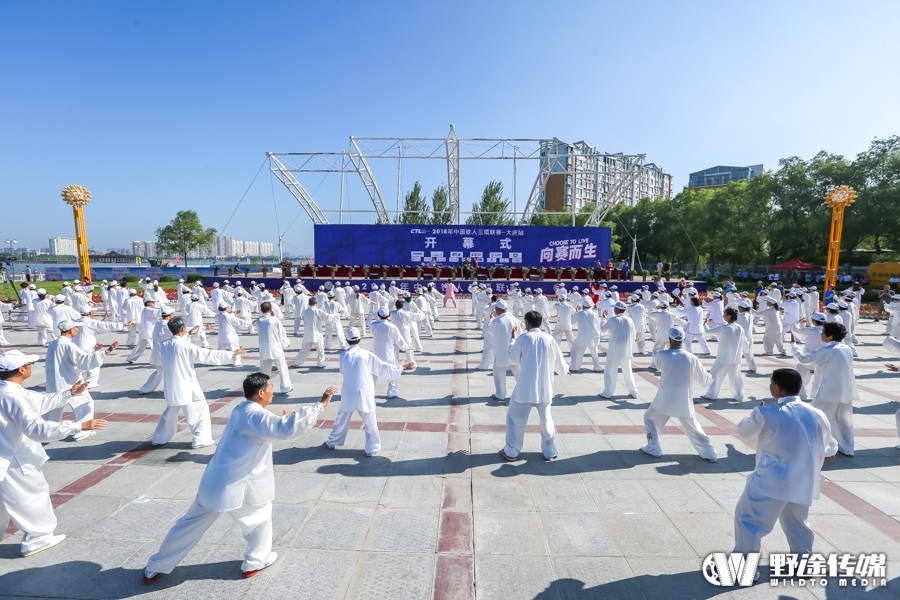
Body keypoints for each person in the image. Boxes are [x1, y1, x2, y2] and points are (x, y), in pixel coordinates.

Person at [143, 376, 337, 584]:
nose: (273, 391)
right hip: (238, 484)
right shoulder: (256, 415)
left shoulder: (241, 409)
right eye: (270, 387)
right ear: (261, 392)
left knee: (189, 525)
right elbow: (285, 429)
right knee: (260, 517)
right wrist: (320, 405)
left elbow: (272, 425)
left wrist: (286, 418)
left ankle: (155, 566)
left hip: (214, 481)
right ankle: (254, 562)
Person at [0, 350, 108, 557]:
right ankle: (37, 538)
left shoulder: (9, 390)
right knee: (31, 496)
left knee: (5, 502)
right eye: (29, 364)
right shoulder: (12, 395)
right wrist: (78, 426)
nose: (31, 366)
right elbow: (36, 428)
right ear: (22, 370)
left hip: (7, 453)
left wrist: (69, 393)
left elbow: (39, 401)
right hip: (14, 457)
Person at [733, 368, 837, 558]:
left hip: (771, 481)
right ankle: (803, 563)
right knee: (797, 523)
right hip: (803, 481)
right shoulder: (818, 414)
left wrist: (758, 412)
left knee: (748, 520)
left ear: (778, 389)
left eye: (772, 383)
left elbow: (744, 431)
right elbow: (831, 448)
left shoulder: (766, 413)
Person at [152, 316, 246, 449]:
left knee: (170, 413)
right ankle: (201, 439)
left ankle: (159, 438)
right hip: (186, 385)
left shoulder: (164, 344)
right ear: (183, 329)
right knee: (199, 410)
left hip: (171, 385)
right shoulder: (185, 346)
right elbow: (207, 355)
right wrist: (232, 353)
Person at [325, 327, 413, 456]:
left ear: (347, 340)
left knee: (342, 418)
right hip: (365, 390)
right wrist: (402, 367)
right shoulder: (366, 354)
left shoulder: (343, 355)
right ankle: (371, 448)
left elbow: (343, 371)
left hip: (348, 390)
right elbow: (383, 367)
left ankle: (332, 441)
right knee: (370, 421)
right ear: (359, 340)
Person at [499, 311, 568, 462]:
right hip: (545, 387)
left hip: (525, 387)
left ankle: (512, 451)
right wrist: (565, 370)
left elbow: (512, 359)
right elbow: (560, 364)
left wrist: (512, 340)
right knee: (546, 419)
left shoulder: (523, 338)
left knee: (515, 418)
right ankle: (549, 451)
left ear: (527, 324)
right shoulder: (549, 339)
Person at [640, 327, 717, 462]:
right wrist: (712, 377)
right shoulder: (691, 357)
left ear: (669, 340)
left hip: (665, 399)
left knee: (649, 418)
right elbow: (705, 379)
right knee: (694, 428)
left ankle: (654, 447)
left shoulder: (660, 355)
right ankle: (710, 453)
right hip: (684, 400)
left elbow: (658, 366)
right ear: (683, 340)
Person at [792, 321, 858, 456]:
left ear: (830, 336)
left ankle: (810, 446)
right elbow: (834, 366)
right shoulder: (846, 348)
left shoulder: (828, 350)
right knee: (842, 420)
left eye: (823, 332)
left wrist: (794, 346)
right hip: (845, 390)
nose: (821, 334)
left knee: (815, 417)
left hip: (829, 391)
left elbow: (804, 359)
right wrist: (817, 369)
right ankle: (847, 447)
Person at [701, 307, 747, 402]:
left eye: (725, 314)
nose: (723, 316)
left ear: (729, 316)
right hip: (736, 358)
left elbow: (708, 332)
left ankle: (712, 394)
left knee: (714, 375)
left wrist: (705, 324)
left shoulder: (724, 328)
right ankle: (739, 395)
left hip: (723, 358)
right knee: (736, 377)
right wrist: (745, 351)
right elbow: (745, 343)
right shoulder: (740, 328)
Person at [369, 307, 415, 399]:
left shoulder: (373, 325)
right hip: (388, 354)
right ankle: (391, 392)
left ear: (378, 315)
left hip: (376, 353)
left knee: (373, 374)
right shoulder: (392, 327)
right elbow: (399, 340)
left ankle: (369, 392)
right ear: (388, 315)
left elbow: (372, 332)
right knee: (392, 373)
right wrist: (406, 347)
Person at [599, 301, 638, 399]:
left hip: (614, 351)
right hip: (626, 350)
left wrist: (603, 318)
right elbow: (633, 335)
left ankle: (608, 392)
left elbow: (602, 329)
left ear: (616, 309)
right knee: (628, 372)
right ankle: (634, 392)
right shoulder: (630, 320)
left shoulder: (613, 320)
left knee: (610, 371)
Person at [258, 301, 293, 395]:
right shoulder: (275, 320)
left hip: (264, 350)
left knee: (265, 372)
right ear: (271, 310)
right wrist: (286, 343)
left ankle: (265, 389)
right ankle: (285, 388)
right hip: (276, 348)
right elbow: (281, 333)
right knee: (282, 369)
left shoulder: (259, 321)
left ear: (261, 310)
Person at [487, 300, 519, 400]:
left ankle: (501, 394)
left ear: (498, 309)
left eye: (495, 308)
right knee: (519, 374)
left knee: (499, 373)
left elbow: (491, 332)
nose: (494, 309)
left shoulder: (496, 321)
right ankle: (525, 392)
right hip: (513, 350)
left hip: (501, 352)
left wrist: (491, 319)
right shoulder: (513, 319)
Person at [138, 307, 175, 395]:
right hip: (164, 355)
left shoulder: (158, 323)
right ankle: (171, 391)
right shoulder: (166, 326)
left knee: (159, 373)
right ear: (170, 315)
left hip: (158, 355)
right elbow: (178, 333)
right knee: (170, 374)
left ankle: (145, 389)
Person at [295, 297, 340, 369]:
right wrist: (338, 315)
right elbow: (328, 318)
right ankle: (321, 363)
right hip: (317, 334)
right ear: (316, 303)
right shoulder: (318, 311)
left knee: (304, 350)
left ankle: (298, 362)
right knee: (320, 351)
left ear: (309, 303)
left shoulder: (305, 311)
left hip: (307, 334)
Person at [570, 297, 602, 372]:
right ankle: (597, 366)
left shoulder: (579, 314)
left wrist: (576, 312)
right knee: (594, 353)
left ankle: (575, 366)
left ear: (582, 306)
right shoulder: (595, 315)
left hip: (582, 337)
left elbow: (571, 322)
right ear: (590, 306)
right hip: (593, 337)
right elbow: (598, 326)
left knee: (576, 350)